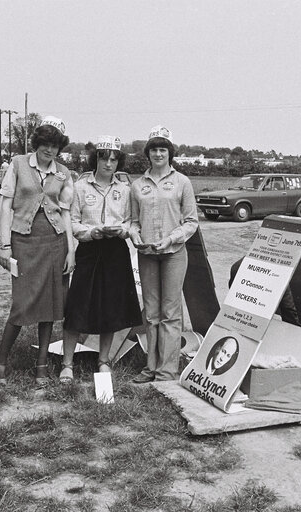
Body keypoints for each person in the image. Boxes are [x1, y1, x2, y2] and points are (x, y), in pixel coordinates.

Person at [0, 116, 75, 386]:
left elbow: (66, 214)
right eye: (45, 144)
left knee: (51, 305)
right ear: (37, 143)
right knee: (22, 303)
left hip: (55, 242)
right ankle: (0, 363)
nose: (49, 150)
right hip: (24, 242)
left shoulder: (64, 173)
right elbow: (5, 206)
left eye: (55, 146)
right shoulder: (17, 164)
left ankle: (41, 367)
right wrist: (5, 246)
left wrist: (71, 250)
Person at [60, 136, 142, 383]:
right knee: (78, 306)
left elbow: (131, 221)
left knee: (111, 308)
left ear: (119, 162)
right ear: (95, 159)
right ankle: (67, 364)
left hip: (116, 251)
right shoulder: (81, 187)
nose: (109, 164)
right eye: (104, 158)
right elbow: (72, 221)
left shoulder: (125, 190)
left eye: (114, 159)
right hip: (90, 249)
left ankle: (103, 361)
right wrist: (90, 232)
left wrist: (124, 230)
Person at [129, 126, 198, 383]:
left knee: (171, 313)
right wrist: (134, 235)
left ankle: (167, 371)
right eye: (154, 150)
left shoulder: (182, 182)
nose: (158, 154)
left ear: (170, 153)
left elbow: (191, 222)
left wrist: (170, 238)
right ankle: (151, 366)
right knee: (151, 313)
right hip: (147, 254)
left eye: (163, 149)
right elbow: (133, 221)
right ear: (148, 153)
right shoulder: (137, 185)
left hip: (174, 254)